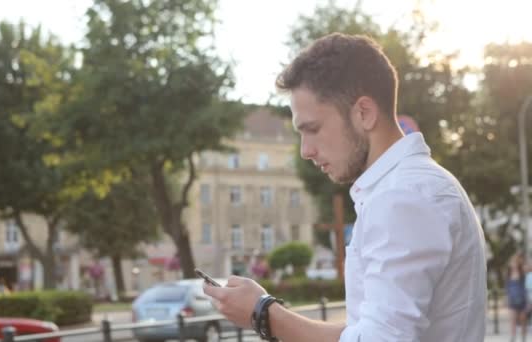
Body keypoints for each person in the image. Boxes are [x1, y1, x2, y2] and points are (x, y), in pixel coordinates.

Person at [203, 33, 486, 341]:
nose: (305, 151)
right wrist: (266, 312)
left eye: (312, 129)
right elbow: (367, 331)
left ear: (363, 113)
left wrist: (264, 313)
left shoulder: (403, 196)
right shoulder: (406, 188)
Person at [507, 253, 527, 341]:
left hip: (522, 300)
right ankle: (513, 338)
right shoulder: (508, 274)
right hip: (512, 301)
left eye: (514, 262)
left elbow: (526, 287)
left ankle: (523, 338)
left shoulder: (522, 273)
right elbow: (507, 288)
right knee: (513, 321)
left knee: (523, 321)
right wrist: (506, 299)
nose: (513, 264)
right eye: (512, 262)